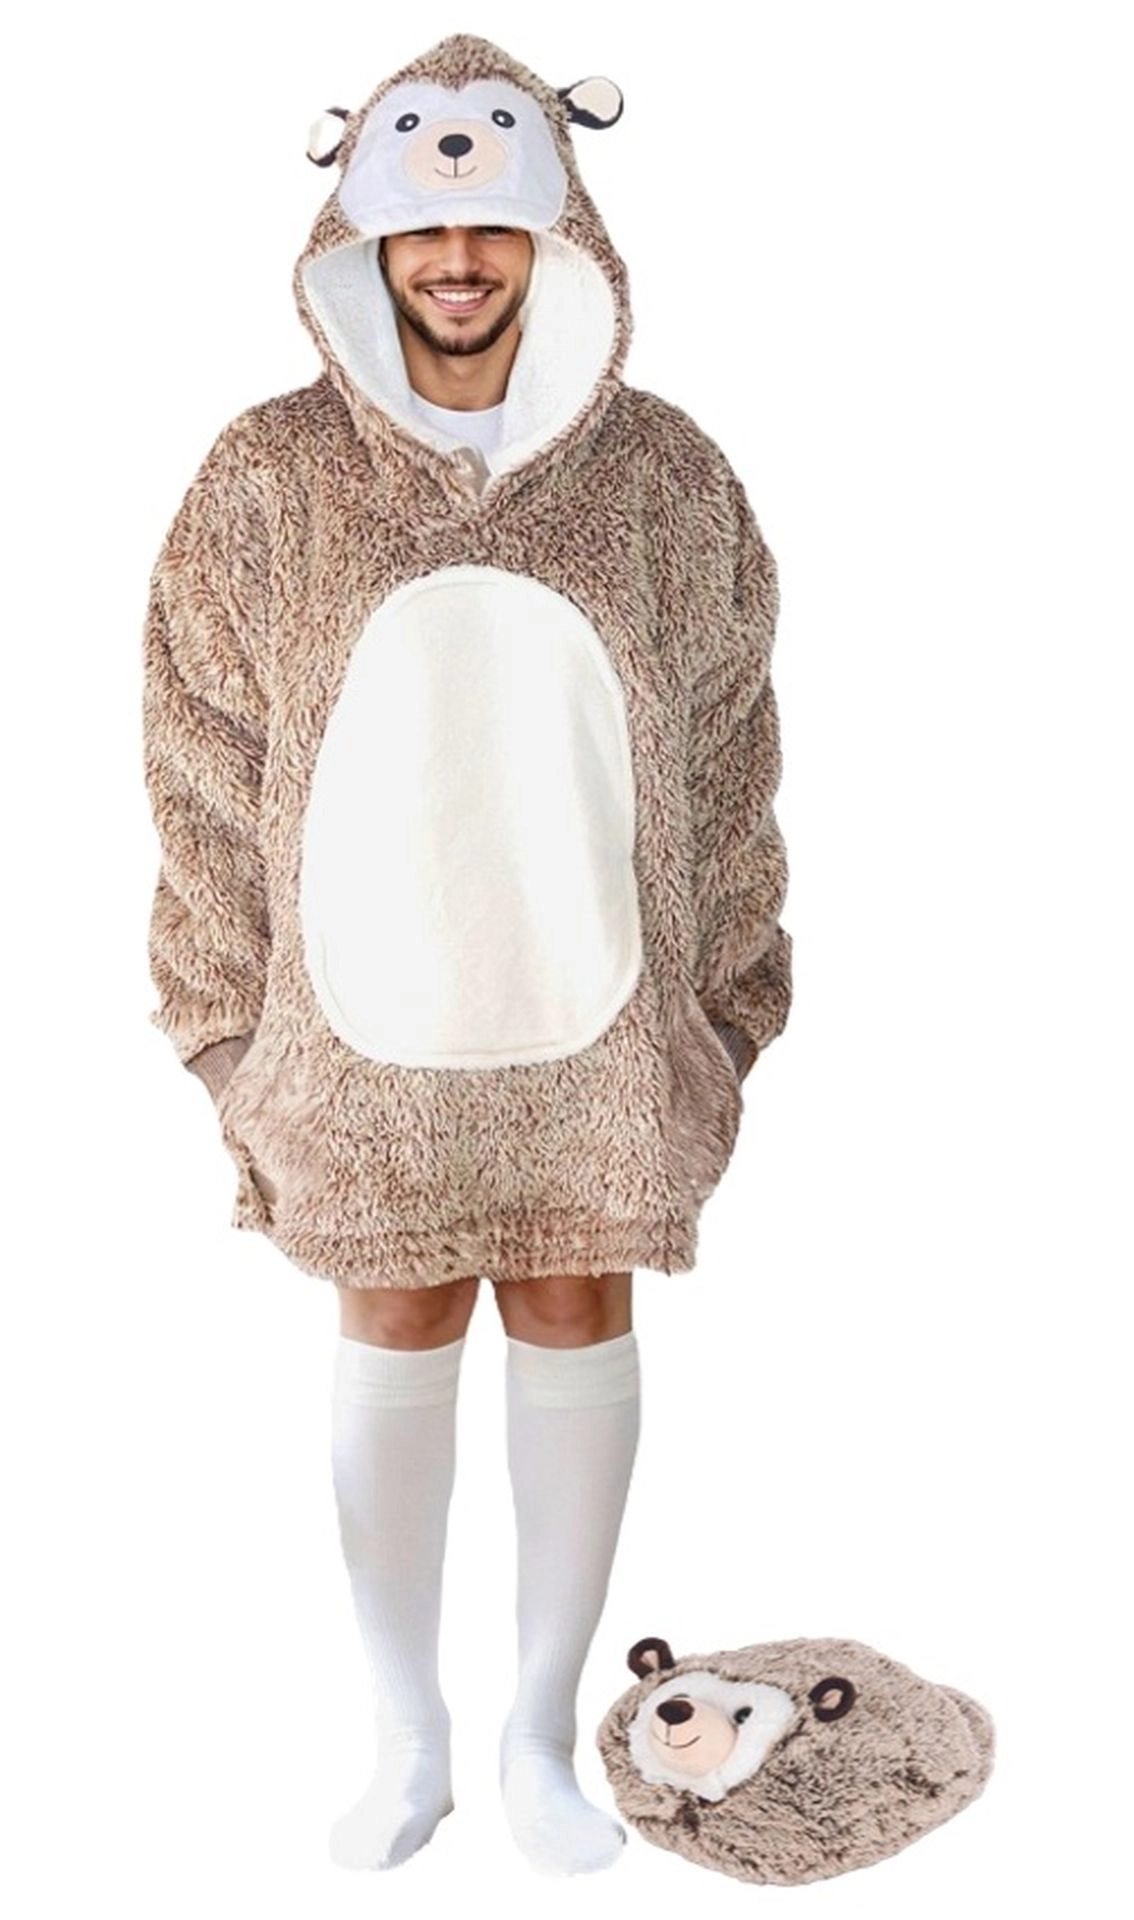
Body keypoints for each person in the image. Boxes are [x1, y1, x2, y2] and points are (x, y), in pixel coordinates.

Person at [141, 32, 791, 1881]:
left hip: (595, 1001)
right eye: (422, 229)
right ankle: (405, 1735)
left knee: (578, 1308)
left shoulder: (661, 476)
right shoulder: (267, 477)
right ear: (359, 241)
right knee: (399, 1317)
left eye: (495, 227)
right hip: (363, 1029)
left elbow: (728, 737)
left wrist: (723, 1001)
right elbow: (199, 750)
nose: (455, 260)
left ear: (556, 237)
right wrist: (225, 1020)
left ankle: (535, 1731)